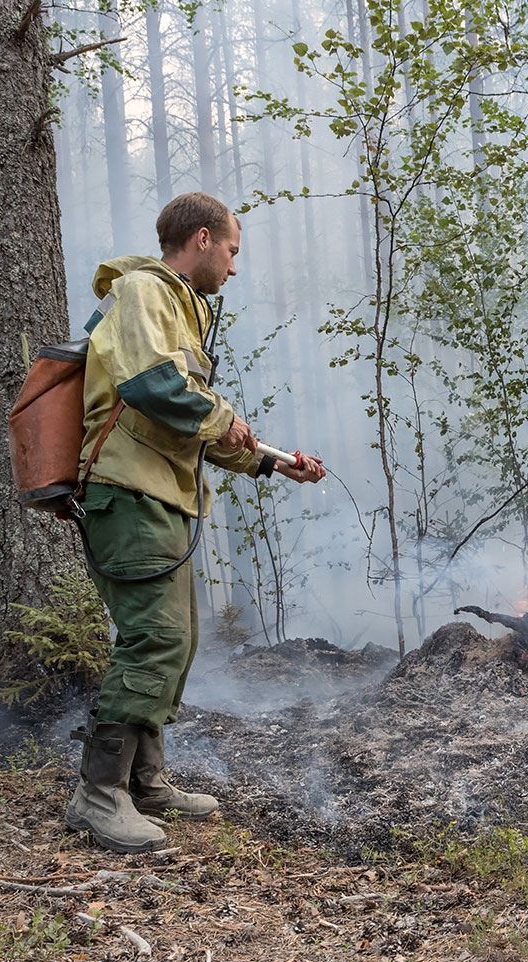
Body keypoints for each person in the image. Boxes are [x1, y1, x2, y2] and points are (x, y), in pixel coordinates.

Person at [66, 192, 326, 853]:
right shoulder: (141, 292)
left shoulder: (181, 312)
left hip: (161, 494)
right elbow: (151, 388)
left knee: (173, 642)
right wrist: (220, 417)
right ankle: (98, 795)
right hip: (128, 493)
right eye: (233, 251)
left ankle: (145, 781)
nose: (234, 268)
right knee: (154, 639)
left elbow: (191, 427)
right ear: (203, 238)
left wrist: (271, 463)